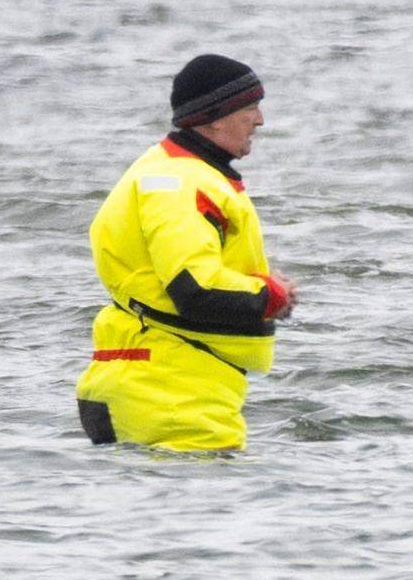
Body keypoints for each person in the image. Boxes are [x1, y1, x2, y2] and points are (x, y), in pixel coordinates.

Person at [75, 54, 297, 451]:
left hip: (156, 380)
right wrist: (270, 295)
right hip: (172, 395)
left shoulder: (166, 167)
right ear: (214, 118)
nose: (260, 120)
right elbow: (195, 289)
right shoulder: (181, 184)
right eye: (250, 108)